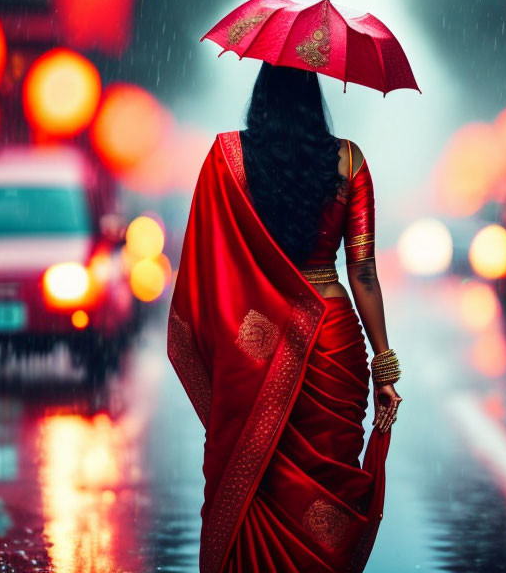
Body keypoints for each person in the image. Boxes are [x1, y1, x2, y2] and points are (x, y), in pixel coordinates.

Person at [167, 61, 402, 572]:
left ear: (262, 94)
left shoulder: (228, 159)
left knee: (255, 482)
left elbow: (208, 268)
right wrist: (384, 362)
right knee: (324, 495)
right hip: (334, 343)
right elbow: (363, 272)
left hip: (255, 347)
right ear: (314, 95)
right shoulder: (349, 162)